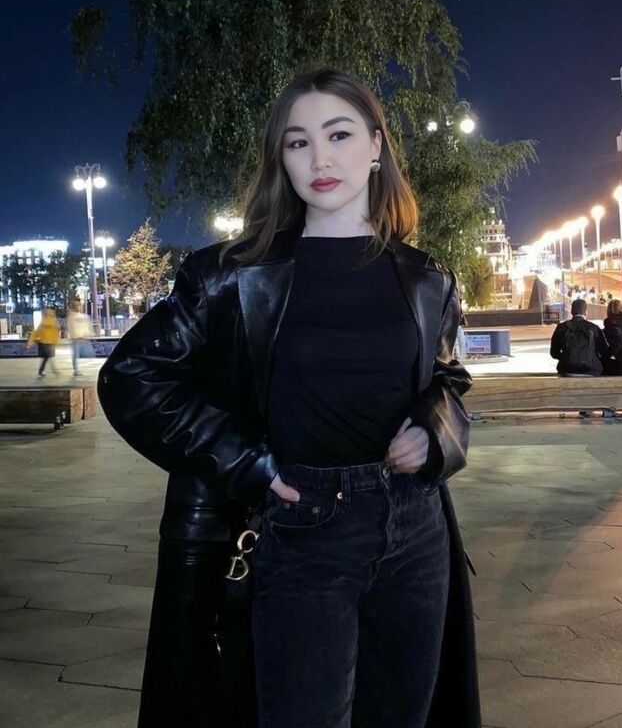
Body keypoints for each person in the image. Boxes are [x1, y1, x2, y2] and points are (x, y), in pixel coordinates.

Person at [98, 68, 479, 728]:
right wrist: (243, 461)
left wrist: (435, 430)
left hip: (414, 529)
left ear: (376, 145)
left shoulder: (426, 278)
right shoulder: (231, 275)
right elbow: (132, 376)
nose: (320, 158)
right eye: (298, 142)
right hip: (299, 526)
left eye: (339, 134)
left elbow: (447, 380)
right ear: (282, 158)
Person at [550, 298, 606, 376]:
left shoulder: (562, 327)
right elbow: (603, 351)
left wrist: (568, 357)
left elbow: (554, 353)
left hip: (566, 370)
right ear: (586, 312)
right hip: (590, 370)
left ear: (571, 311)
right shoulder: (594, 328)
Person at [27, 308, 60, 378]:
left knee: (46, 358)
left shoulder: (43, 323)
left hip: (43, 343)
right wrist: (56, 342)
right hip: (50, 343)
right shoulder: (54, 322)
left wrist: (30, 343)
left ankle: (42, 372)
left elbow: (35, 333)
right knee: (48, 357)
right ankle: (54, 371)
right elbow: (56, 334)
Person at [66, 300, 92, 376]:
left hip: (82, 338)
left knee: (85, 354)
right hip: (76, 338)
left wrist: (88, 333)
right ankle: (76, 370)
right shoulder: (72, 316)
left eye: (79, 306)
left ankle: (76, 369)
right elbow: (71, 327)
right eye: (77, 306)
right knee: (76, 355)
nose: (79, 307)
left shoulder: (82, 316)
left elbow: (86, 326)